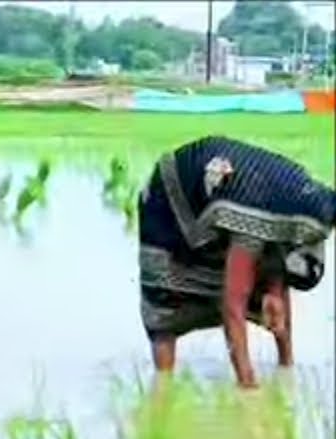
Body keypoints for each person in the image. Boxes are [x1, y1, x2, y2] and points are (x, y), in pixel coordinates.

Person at [138, 135, 334, 388]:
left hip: (231, 202)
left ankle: (285, 364)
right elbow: (233, 304)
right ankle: (161, 386)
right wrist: (247, 385)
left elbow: (280, 253)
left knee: (267, 291)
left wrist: (286, 370)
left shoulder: (314, 208)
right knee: (165, 306)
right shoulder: (254, 219)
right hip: (174, 199)